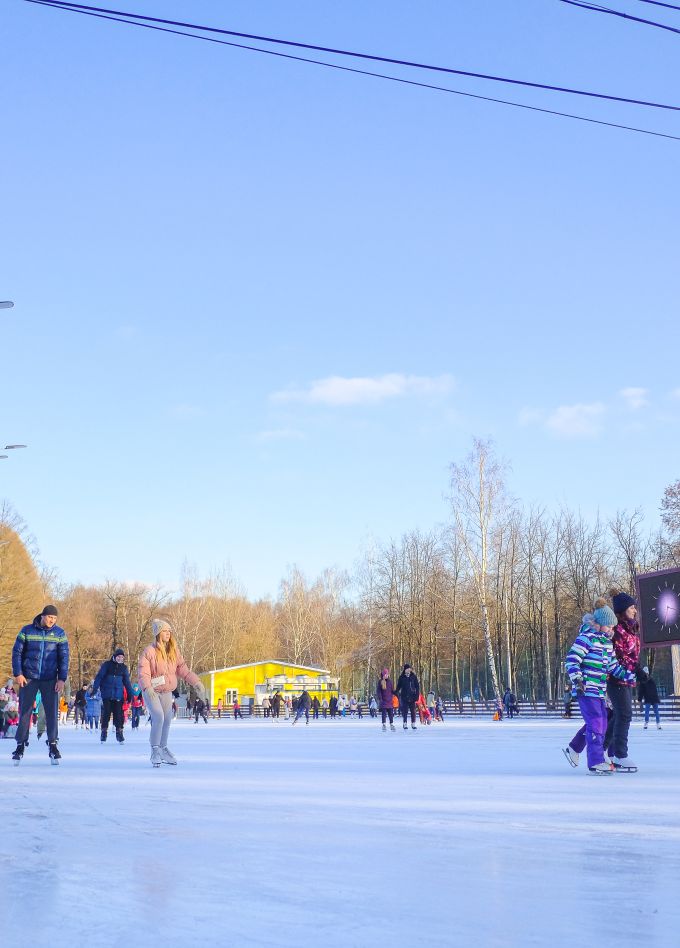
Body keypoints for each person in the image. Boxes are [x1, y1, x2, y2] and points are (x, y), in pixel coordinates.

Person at [563, 601, 635, 774]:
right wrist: (577, 678)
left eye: (613, 627)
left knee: (600, 722)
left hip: (599, 691)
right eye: (609, 626)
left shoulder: (607, 643)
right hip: (586, 689)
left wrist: (630, 675)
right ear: (599, 624)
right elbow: (572, 659)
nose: (611, 629)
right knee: (597, 723)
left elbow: (613, 667)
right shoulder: (586, 638)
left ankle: (573, 748)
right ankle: (596, 761)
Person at [138, 618, 206, 767]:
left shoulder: (173, 651)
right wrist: (147, 688)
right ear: (158, 633)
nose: (168, 633)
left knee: (168, 718)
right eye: (164, 631)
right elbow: (143, 672)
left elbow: (183, 670)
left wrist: (196, 682)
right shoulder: (149, 651)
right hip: (152, 691)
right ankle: (155, 750)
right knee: (158, 716)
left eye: (169, 631)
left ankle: (163, 748)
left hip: (167, 691)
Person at [10, 604, 69, 765]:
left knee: (51, 712)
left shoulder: (59, 634)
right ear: (43, 616)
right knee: (25, 711)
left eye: (55, 618)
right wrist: (18, 673)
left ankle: (53, 744)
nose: (52, 620)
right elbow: (17, 652)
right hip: (29, 677)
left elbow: (64, 657)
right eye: (50, 617)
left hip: (50, 678)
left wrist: (61, 678)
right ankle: (20, 744)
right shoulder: (27, 630)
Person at [603, 590, 642, 772]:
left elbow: (632, 655)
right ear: (622, 611)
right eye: (632, 608)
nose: (635, 610)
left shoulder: (631, 629)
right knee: (625, 714)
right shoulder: (617, 631)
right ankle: (620, 755)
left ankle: (601, 748)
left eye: (635, 607)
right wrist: (630, 670)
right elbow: (616, 657)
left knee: (620, 715)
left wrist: (639, 669)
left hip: (627, 678)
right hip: (616, 678)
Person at [91, 647, 134, 743]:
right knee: (106, 713)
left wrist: (130, 694)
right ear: (114, 657)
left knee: (119, 714)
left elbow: (127, 682)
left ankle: (119, 734)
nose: (120, 659)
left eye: (122, 657)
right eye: (119, 657)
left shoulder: (124, 668)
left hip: (118, 694)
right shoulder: (107, 665)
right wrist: (95, 688)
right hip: (107, 693)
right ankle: (104, 732)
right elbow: (99, 677)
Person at [394, 663, 420, 730]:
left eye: (409, 668)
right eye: (407, 669)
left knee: (413, 711)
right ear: (405, 670)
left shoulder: (413, 677)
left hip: (412, 697)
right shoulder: (402, 677)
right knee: (405, 711)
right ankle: (405, 723)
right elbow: (399, 686)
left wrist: (417, 695)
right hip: (404, 697)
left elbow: (417, 686)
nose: (409, 670)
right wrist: (395, 691)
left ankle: (413, 723)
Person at [377, 668, 397, 732]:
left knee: (391, 714)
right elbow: (378, 691)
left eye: (387, 674)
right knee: (384, 714)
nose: (386, 675)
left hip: (390, 701)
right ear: (383, 675)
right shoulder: (380, 682)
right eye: (385, 674)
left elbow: (392, 690)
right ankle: (384, 724)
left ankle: (391, 724)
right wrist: (380, 698)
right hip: (384, 701)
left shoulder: (390, 682)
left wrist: (396, 693)